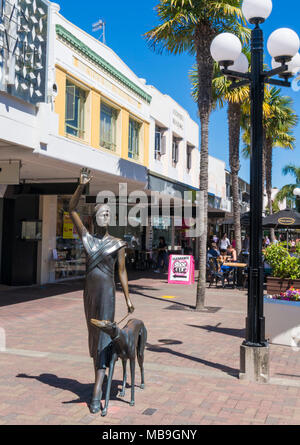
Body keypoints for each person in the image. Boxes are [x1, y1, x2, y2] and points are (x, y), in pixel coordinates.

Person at [69, 168, 134, 414]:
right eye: (101, 213)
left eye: (109, 213)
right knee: (93, 337)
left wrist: (127, 297)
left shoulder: (118, 243)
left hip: (107, 293)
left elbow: (122, 272)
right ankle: (100, 373)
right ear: (95, 217)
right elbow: (72, 209)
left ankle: (97, 391)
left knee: (105, 336)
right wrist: (80, 186)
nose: (105, 215)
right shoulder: (87, 239)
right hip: (89, 294)